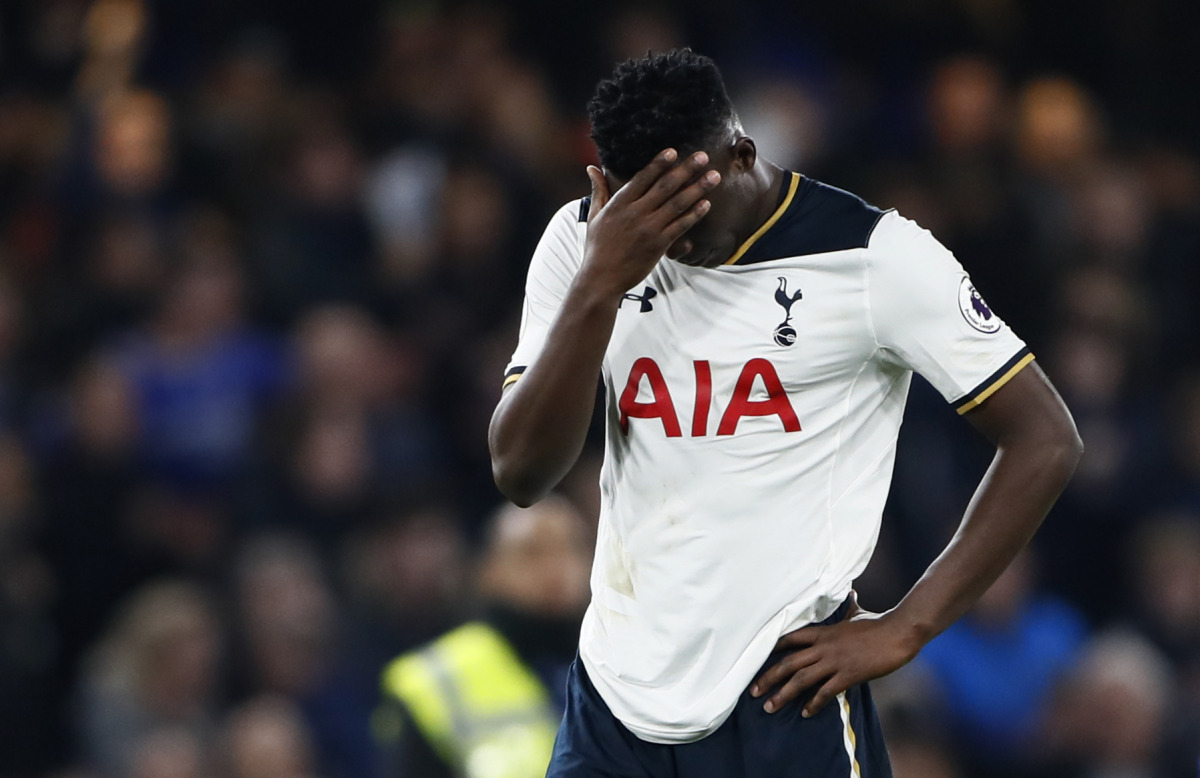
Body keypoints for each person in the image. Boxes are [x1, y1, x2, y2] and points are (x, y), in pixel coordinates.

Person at [488, 49, 1083, 777]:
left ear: (740, 154)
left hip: (783, 695)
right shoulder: (580, 248)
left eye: (687, 210)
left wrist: (908, 627)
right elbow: (521, 472)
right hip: (613, 697)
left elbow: (1046, 438)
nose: (669, 240)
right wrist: (599, 285)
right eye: (641, 208)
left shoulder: (873, 256)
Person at [375, 496, 592, 778]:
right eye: (532, 553)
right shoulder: (435, 678)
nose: (556, 569)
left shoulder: (619, 664)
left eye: (571, 549)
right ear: (489, 571)